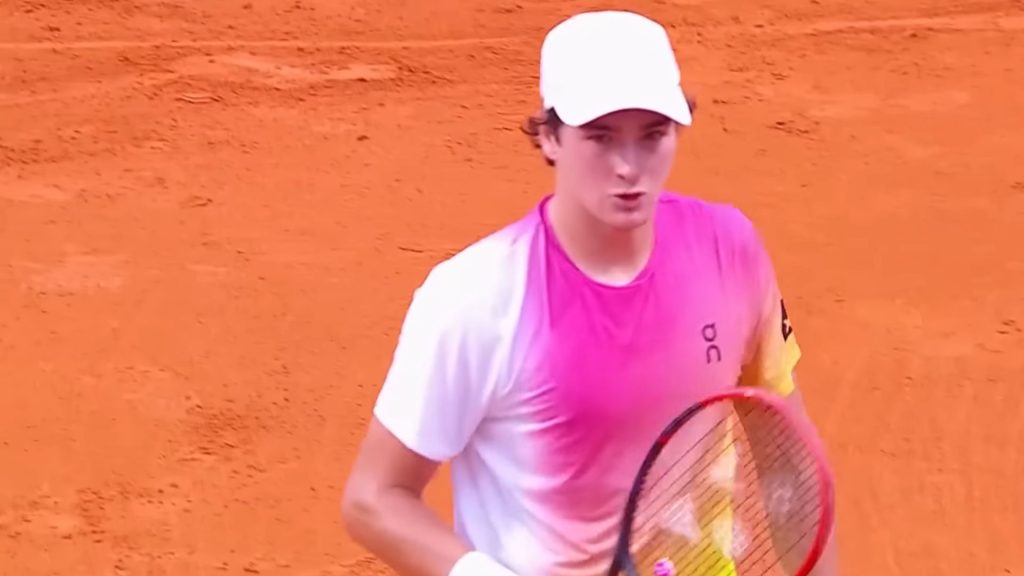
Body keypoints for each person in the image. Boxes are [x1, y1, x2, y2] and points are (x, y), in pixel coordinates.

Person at [341, 9, 839, 576]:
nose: (629, 167)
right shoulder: (478, 298)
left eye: (653, 136)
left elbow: (786, 461)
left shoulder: (731, 251)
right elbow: (374, 498)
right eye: (601, 138)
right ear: (550, 137)